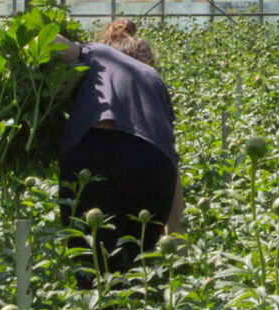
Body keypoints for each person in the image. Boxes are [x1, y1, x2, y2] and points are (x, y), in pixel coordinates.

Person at [56, 25, 185, 274]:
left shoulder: (97, 54)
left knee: (93, 266)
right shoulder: (156, 82)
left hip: (99, 154)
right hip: (155, 169)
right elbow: (170, 163)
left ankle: (97, 307)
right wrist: (181, 251)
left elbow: (50, 40)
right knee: (137, 267)